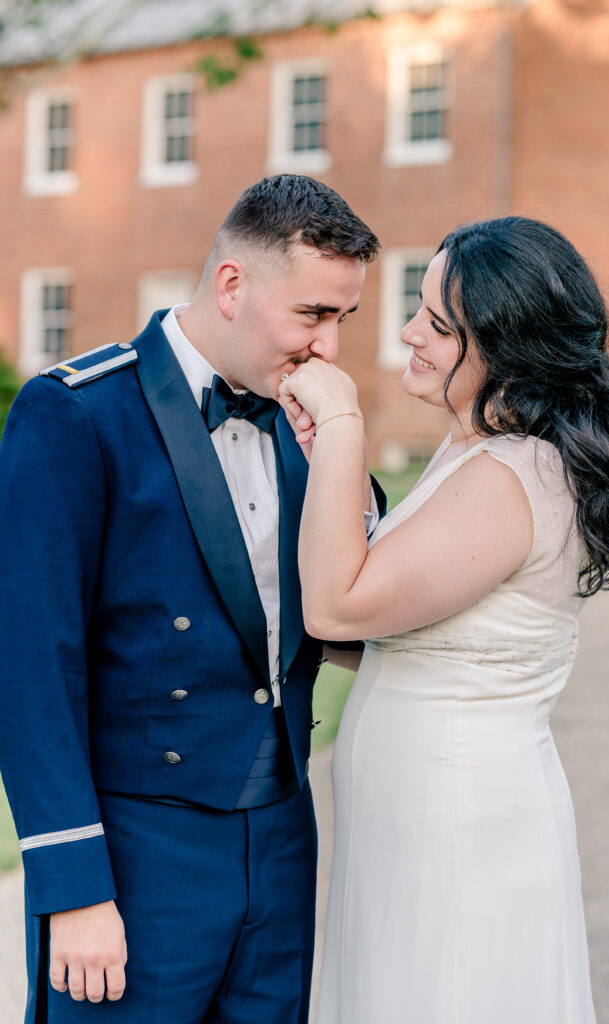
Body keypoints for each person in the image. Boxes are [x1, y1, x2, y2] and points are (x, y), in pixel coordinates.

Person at [0, 174, 383, 1023]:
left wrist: (339, 460)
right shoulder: (78, 413)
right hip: (139, 852)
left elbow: (363, 592)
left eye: (341, 320)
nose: (327, 348)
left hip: (282, 835)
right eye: (313, 315)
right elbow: (30, 668)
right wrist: (73, 889)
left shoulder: (305, 416)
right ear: (232, 284)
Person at [279, 216, 609, 1024]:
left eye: (438, 325)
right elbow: (377, 634)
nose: (408, 332)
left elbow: (336, 602)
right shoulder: (475, 449)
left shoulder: (512, 476)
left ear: (508, 347)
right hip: (414, 817)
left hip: (457, 828)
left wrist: (342, 426)